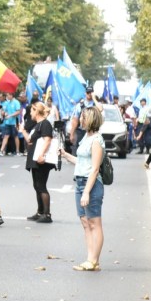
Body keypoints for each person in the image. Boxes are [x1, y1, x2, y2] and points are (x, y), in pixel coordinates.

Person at [59, 107, 105, 271]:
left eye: (83, 117)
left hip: (91, 184)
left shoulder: (97, 140)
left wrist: (86, 191)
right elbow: (81, 161)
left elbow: (94, 168)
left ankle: (93, 260)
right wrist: (65, 154)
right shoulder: (86, 136)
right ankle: (90, 258)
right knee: (86, 223)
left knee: (95, 222)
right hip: (79, 181)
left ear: (91, 119)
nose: (80, 120)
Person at [25, 102, 56, 223]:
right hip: (35, 159)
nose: (30, 114)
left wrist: (41, 154)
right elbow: (31, 140)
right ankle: (40, 212)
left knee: (41, 185)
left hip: (41, 160)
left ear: (37, 111)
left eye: (32, 111)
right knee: (37, 185)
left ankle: (47, 214)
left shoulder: (45, 124)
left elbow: (47, 140)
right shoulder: (37, 124)